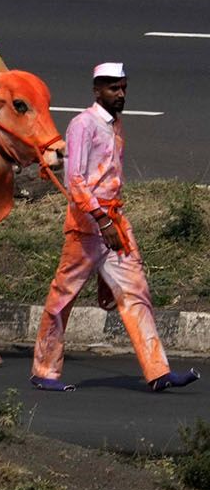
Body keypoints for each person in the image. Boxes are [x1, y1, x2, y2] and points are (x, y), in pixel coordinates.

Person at [32, 63, 199, 393]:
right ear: (97, 91)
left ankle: (158, 371)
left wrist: (112, 221)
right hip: (87, 229)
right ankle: (44, 372)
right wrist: (102, 220)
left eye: (123, 87)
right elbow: (75, 180)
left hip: (115, 225)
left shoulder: (116, 125)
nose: (120, 94)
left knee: (137, 295)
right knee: (62, 299)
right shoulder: (83, 124)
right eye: (113, 88)